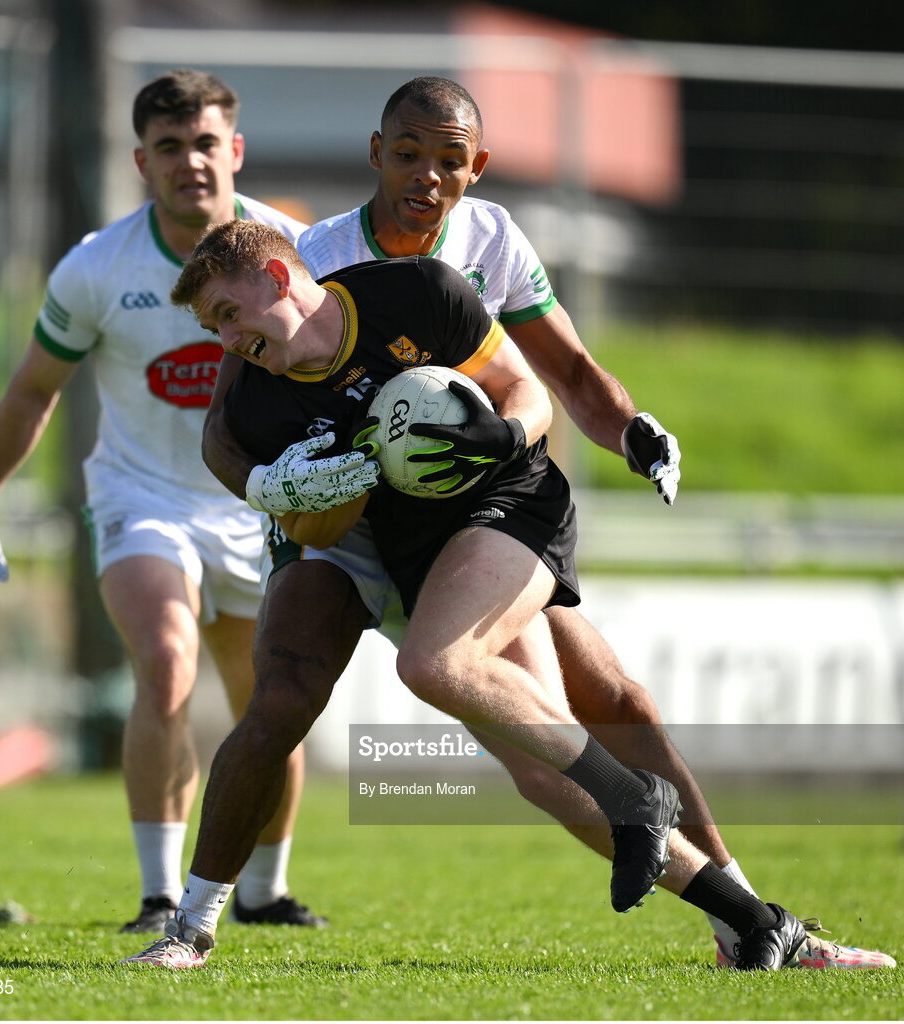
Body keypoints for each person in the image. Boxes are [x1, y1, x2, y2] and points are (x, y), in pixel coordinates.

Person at [200, 77, 894, 971]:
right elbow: (230, 415)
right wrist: (273, 489)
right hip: (349, 527)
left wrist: (631, 430)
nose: (426, 175)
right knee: (286, 696)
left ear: (475, 169)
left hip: (469, 521)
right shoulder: (318, 253)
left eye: (449, 160)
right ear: (378, 154)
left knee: (606, 709)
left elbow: (561, 374)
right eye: (408, 153)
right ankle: (193, 915)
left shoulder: (491, 239)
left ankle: (750, 921)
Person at [120, 219, 811, 971]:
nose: (225, 341)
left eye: (227, 315)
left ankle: (648, 811)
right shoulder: (260, 400)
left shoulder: (419, 291)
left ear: (279, 280)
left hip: (502, 506)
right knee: (503, 758)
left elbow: (530, 392)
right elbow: (274, 488)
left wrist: (505, 436)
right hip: (392, 544)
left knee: (478, 675)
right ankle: (754, 922)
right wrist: (297, 492)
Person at [0, 69, 330, 933]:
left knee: (271, 696)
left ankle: (263, 892)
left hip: (266, 504)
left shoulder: (303, 251)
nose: (189, 161)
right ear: (141, 162)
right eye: (168, 147)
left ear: (234, 149)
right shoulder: (96, 266)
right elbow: (32, 390)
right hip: (141, 497)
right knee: (164, 662)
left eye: (203, 143)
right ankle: (160, 897)